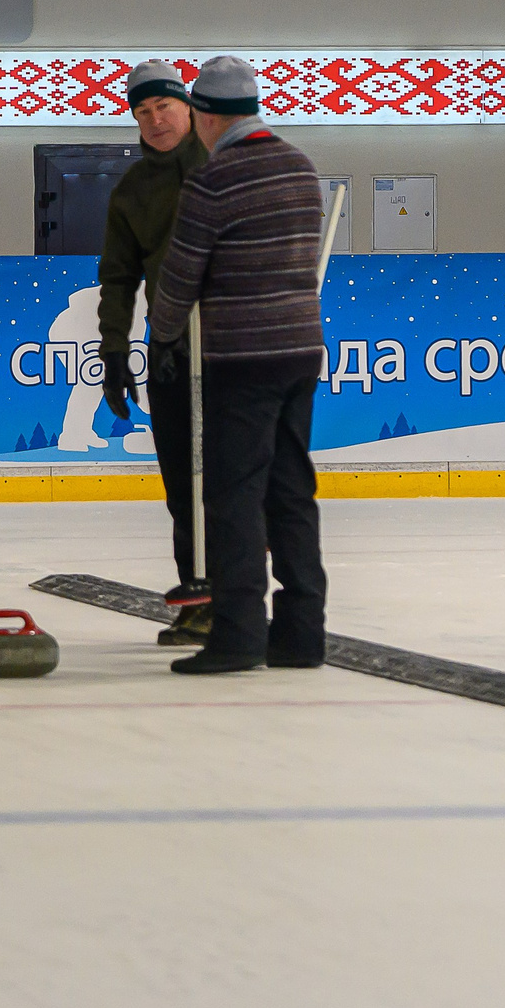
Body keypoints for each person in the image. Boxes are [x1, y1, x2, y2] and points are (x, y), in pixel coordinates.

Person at [146, 57, 327, 676]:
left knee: (233, 496)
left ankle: (240, 634)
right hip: (302, 351)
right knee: (291, 490)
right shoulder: (301, 167)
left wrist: (163, 336)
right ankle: (303, 633)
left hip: (242, 357)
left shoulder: (214, 181)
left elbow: (180, 278)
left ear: (202, 115)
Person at [96, 58, 212, 647]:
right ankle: (196, 595)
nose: (155, 120)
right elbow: (117, 278)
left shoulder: (223, 168)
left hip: (231, 348)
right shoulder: (133, 190)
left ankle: (235, 598)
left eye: (164, 106)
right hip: (170, 347)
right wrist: (115, 353)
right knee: (181, 482)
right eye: (142, 112)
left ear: (188, 107)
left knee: (226, 479)